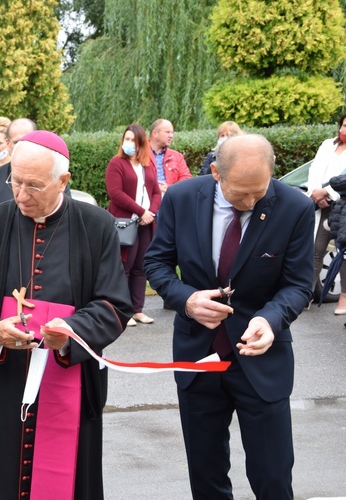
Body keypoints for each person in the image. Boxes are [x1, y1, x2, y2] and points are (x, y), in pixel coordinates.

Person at [0, 130, 133, 499]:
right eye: (15, 181)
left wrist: (72, 332)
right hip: (4, 381)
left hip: (69, 377)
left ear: (63, 181)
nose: (20, 195)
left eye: (34, 185)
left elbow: (115, 304)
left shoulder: (96, 227)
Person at [144, 134, 314, 499]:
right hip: (198, 357)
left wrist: (270, 319)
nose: (251, 202)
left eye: (260, 191)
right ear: (216, 172)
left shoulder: (294, 207)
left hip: (261, 360)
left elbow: (299, 285)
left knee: (273, 477)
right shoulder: (182, 198)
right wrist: (186, 299)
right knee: (206, 477)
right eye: (241, 193)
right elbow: (155, 263)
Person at [106, 124, 162, 327]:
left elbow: (156, 191)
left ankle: (137, 309)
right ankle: (122, 311)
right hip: (125, 223)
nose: (128, 143)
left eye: (133, 140)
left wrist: (151, 213)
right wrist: (141, 212)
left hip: (145, 223)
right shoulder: (116, 163)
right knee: (124, 266)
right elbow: (116, 194)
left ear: (141, 144)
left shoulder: (147, 165)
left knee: (141, 267)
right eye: (126, 139)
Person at [0, 118, 71, 215]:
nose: (22, 197)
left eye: (34, 185)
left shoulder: (54, 177)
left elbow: (66, 214)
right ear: (8, 144)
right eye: (17, 142)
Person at [306, 112, 346, 312]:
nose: (344, 130)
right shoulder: (328, 144)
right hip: (321, 205)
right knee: (316, 250)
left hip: (341, 205)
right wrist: (315, 193)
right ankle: (306, 295)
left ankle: (344, 299)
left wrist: (327, 192)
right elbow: (314, 169)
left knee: (343, 252)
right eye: (343, 125)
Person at [149, 118, 192, 195]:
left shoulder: (177, 156)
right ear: (155, 134)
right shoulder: (139, 154)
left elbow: (186, 180)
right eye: (167, 132)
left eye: (172, 133)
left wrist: (169, 188)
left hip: (169, 199)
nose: (171, 136)